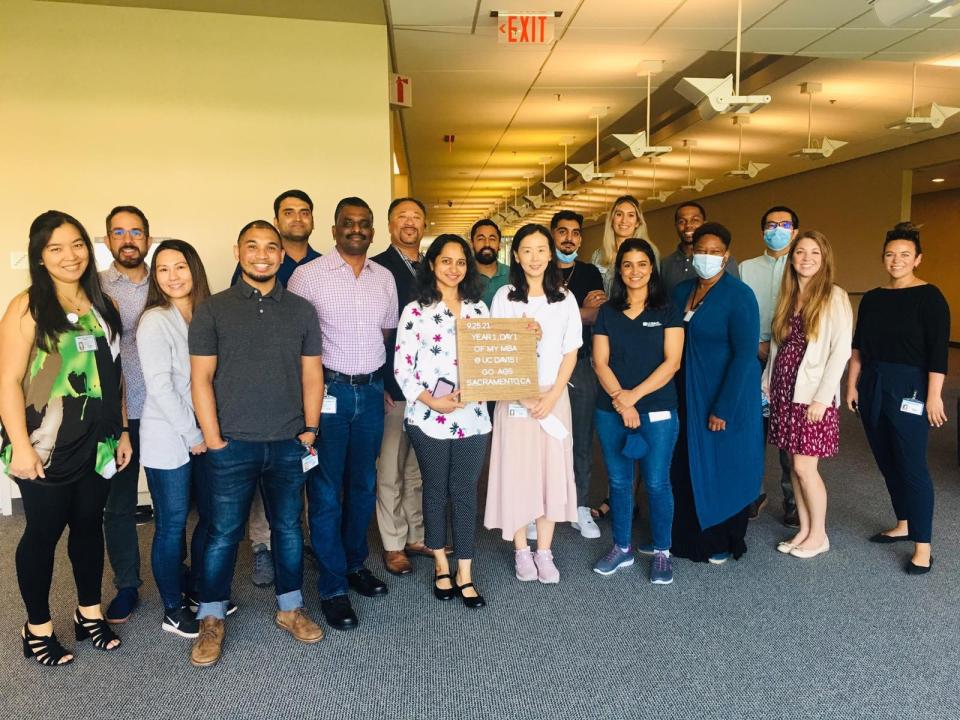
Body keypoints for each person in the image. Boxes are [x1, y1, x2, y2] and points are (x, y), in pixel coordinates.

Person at [188, 220, 325, 667]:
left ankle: (290, 609)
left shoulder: (303, 310)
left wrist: (309, 430)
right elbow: (201, 379)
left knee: (288, 530)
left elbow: (311, 374)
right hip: (233, 445)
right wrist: (214, 439)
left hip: (289, 442)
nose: (262, 254)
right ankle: (211, 619)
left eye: (271, 247)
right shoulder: (212, 310)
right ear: (237, 252)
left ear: (282, 255)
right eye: (252, 246)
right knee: (224, 533)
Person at [0, 210, 129, 665]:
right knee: (43, 532)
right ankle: (36, 628)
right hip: (44, 443)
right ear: (39, 256)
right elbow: (9, 381)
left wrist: (123, 430)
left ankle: (88, 614)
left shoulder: (104, 305)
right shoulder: (28, 306)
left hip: (99, 443)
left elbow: (114, 375)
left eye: (76, 244)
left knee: (89, 527)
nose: (69, 255)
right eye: (55, 248)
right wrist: (19, 444)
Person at [288, 197, 398, 631]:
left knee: (363, 485)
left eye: (364, 224)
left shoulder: (384, 278)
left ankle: (354, 564)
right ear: (333, 230)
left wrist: (381, 385)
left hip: (370, 393)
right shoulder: (307, 277)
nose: (357, 229)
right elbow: (293, 343)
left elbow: (386, 335)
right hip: (327, 394)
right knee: (327, 490)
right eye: (348, 223)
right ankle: (332, 586)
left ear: (373, 232)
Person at [846, 222, 950, 575]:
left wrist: (934, 397)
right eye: (890, 254)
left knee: (911, 464)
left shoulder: (930, 297)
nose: (897, 260)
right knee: (886, 458)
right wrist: (852, 384)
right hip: (873, 381)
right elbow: (858, 345)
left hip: (912, 386)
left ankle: (923, 546)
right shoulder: (873, 298)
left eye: (905, 254)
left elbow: (938, 353)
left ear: (918, 259)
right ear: (883, 258)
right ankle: (903, 522)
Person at [230, 190, 321, 589]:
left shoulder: (323, 264)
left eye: (304, 212)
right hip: (260, 401)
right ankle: (264, 548)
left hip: (308, 387)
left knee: (304, 475)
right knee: (262, 487)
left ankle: (301, 543)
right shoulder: (254, 267)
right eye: (289, 213)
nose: (297, 218)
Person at [395, 234, 492, 608]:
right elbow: (402, 368)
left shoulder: (478, 309)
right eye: (446, 261)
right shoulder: (416, 311)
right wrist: (432, 401)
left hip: (474, 416)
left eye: (461, 262)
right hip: (428, 415)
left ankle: (465, 570)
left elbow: (491, 358)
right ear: (432, 264)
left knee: (465, 491)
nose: (454, 268)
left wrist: (526, 336)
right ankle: (440, 563)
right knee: (435, 489)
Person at [484, 223, 582, 583]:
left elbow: (571, 351)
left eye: (542, 249)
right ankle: (521, 551)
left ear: (551, 253)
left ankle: (544, 550)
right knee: (518, 473)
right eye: (527, 250)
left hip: (554, 396)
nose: (535, 257)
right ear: (517, 255)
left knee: (550, 473)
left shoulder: (565, 298)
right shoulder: (505, 297)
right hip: (515, 397)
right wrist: (522, 395)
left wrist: (553, 395)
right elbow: (495, 351)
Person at [670, 222, 763, 564]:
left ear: (726, 256)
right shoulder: (680, 292)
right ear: (692, 253)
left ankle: (722, 539)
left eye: (715, 252)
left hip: (725, 395)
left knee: (725, 466)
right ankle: (683, 538)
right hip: (684, 393)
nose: (707, 257)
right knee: (683, 465)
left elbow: (744, 355)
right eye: (701, 251)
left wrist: (723, 408)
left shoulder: (740, 296)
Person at [592, 239, 683, 584]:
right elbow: (600, 362)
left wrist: (633, 398)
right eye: (627, 265)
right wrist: (620, 398)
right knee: (619, 481)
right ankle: (622, 546)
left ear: (652, 269)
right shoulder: (608, 312)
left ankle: (662, 551)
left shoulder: (667, 310)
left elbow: (672, 363)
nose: (635, 271)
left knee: (657, 482)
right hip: (611, 409)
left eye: (642, 264)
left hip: (657, 409)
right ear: (620, 271)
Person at [136, 240, 213, 638]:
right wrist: (193, 433)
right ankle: (171, 607)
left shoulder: (209, 312)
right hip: (170, 435)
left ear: (193, 269)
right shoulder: (154, 319)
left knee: (213, 517)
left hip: (207, 432)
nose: (172, 276)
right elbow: (161, 387)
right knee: (171, 524)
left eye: (179, 266)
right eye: (162, 269)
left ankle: (197, 588)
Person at [762, 231, 852, 559]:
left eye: (815, 252)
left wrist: (822, 397)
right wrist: (769, 379)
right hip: (786, 392)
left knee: (804, 467)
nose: (807, 258)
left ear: (824, 258)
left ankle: (820, 534)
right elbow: (778, 345)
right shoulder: (788, 297)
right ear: (792, 258)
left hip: (813, 396)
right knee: (792, 465)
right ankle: (804, 528)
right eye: (800, 252)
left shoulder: (834, 296)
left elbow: (840, 351)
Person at [371, 198, 428, 576]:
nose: (409, 223)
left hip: (430, 390)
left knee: (417, 469)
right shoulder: (377, 268)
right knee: (389, 469)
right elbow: (373, 332)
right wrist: (380, 382)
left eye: (416, 217)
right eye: (401, 217)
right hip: (393, 388)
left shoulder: (433, 267)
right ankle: (393, 543)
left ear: (425, 224)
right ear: (390, 225)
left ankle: (416, 535)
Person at [99, 205, 150, 623]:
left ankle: (182, 577)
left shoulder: (170, 280)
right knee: (118, 505)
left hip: (169, 410)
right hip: (118, 413)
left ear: (147, 239)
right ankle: (128, 585)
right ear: (107, 241)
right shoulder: (94, 288)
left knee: (176, 503)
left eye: (136, 231)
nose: (128, 238)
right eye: (119, 232)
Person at [740, 205, 800, 526]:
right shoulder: (746, 268)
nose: (777, 229)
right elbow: (738, 312)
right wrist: (757, 345)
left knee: (790, 432)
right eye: (770, 225)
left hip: (793, 359)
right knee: (753, 429)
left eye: (784, 224)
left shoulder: (804, 265)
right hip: (754, 354)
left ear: (795, 231)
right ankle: (752, 493)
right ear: (762, 231)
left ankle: (792, 499)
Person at [550, 210, 605, 539]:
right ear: (552, 235)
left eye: (574, 232)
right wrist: (576, 312)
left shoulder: (590, 272)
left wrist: (565, 314)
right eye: (562, 232)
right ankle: (540, 505)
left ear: (581, 238)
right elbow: (537, 318)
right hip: (544, 367)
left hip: (581, 363)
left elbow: (596, 316)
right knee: (543, 437)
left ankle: (579, 505)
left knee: (581, 438)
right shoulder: (541, 269)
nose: (568, 238)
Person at [660, 201, 738, 293]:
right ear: (676, 226)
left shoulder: (722, 260)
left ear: (704, 223)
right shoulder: (665, 264)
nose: (688, 225)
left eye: (695, 220)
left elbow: (735, 293)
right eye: (682, 221)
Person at [590, 195, 659, 293]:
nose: (624, 220)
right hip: (604, 308)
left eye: (630, 215)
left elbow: (654, 288)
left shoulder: (650, 252)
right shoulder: (598, 255)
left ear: (637, 222)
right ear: (611, 219)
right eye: (619, 214)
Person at [472, 219, 510, 307]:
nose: (487, 244)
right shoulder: (462, 276)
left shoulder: (514, 275)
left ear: (499, 244)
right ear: (472, 243)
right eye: (481, 239)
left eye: (492, 239)